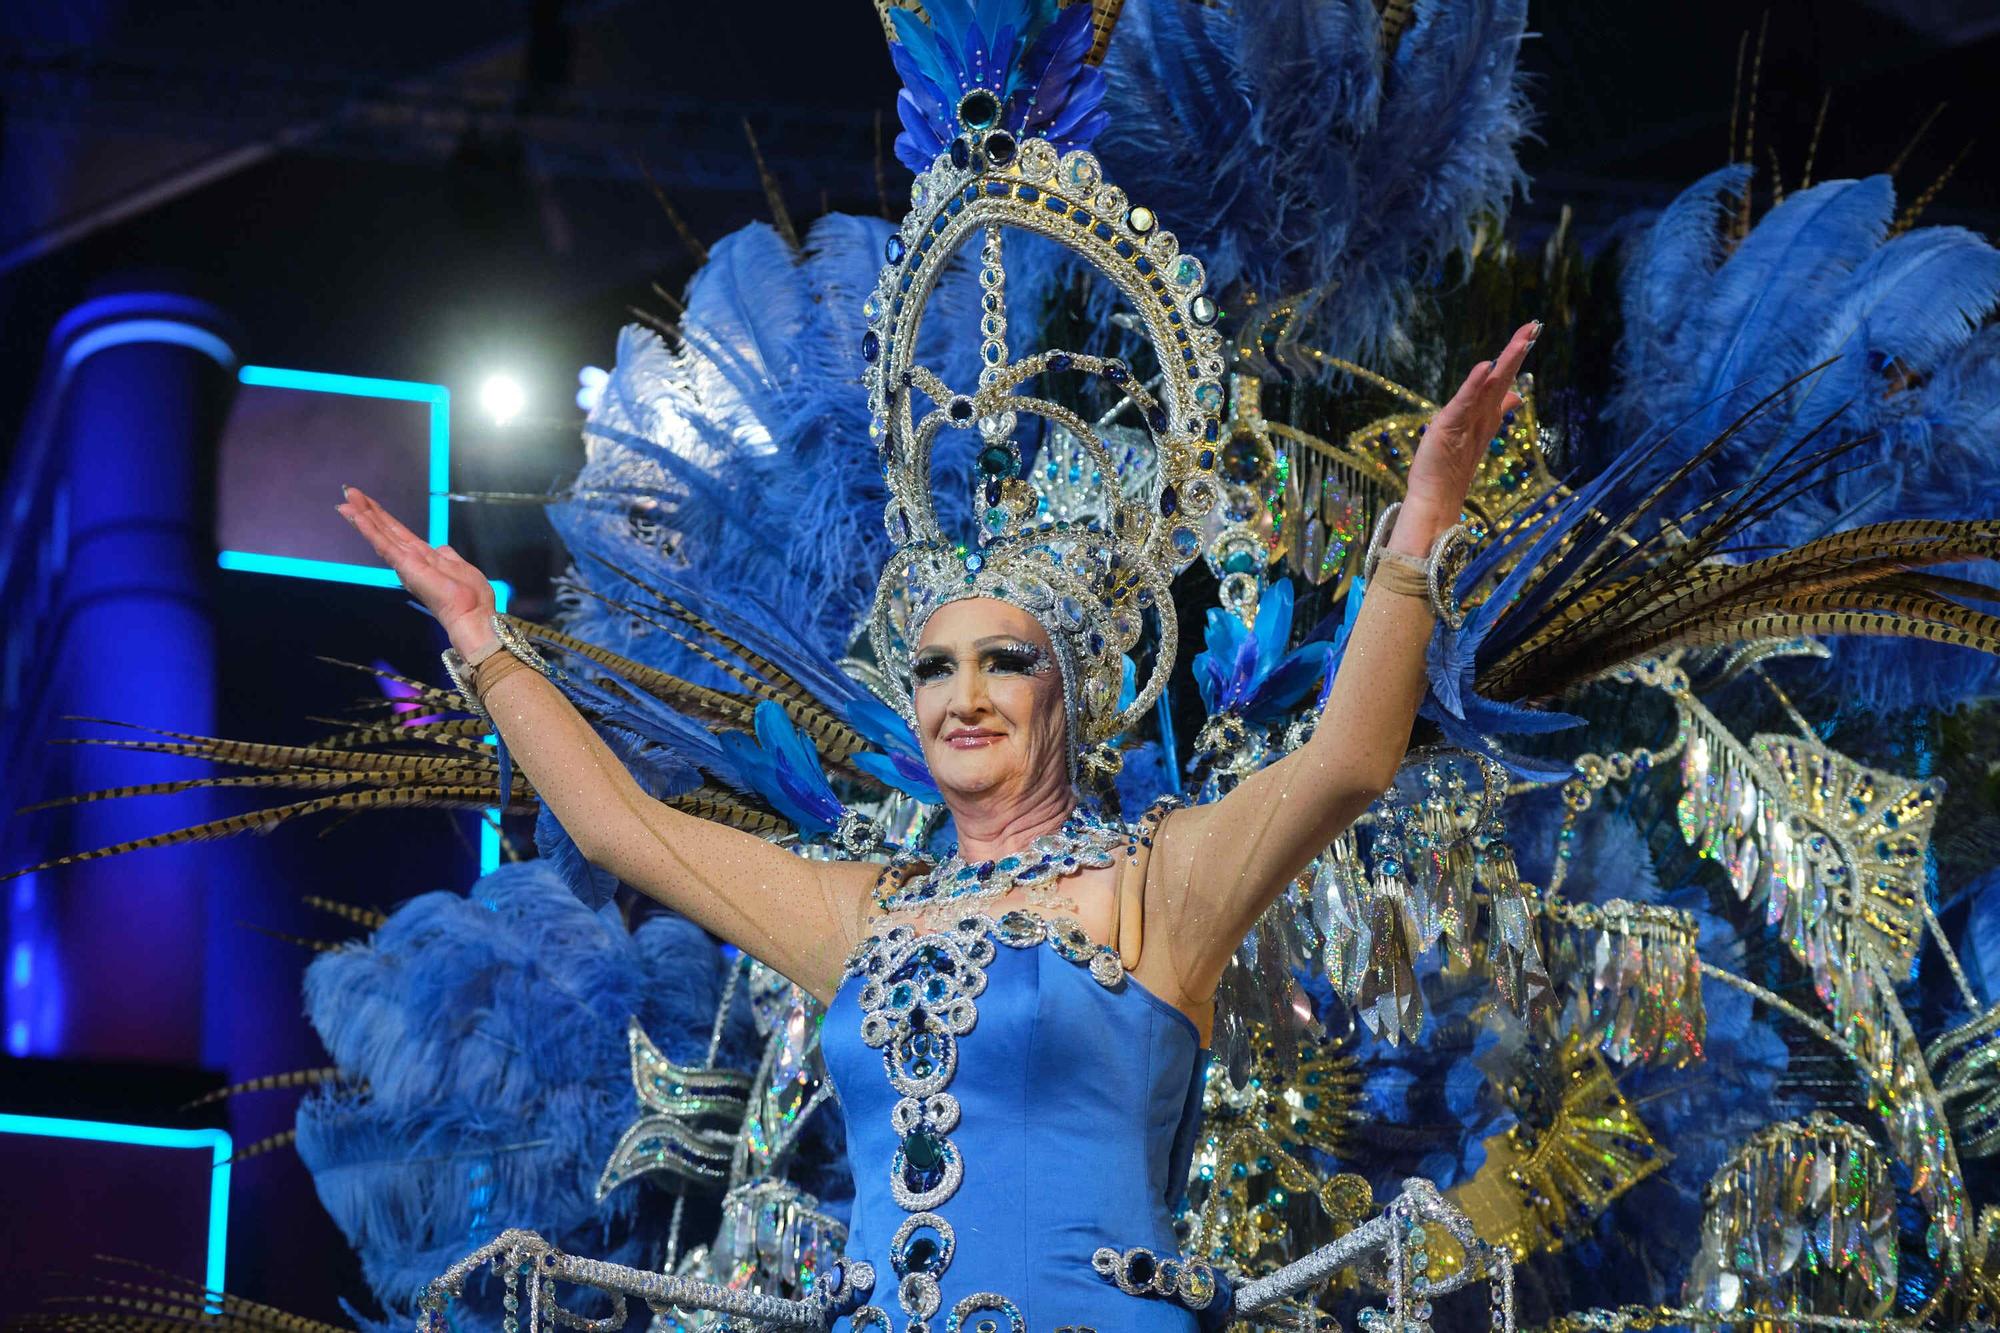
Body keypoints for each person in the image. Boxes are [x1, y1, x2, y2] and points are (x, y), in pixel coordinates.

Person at [334, 290, 1533, 1328]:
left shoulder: (1150, 890)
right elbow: (616, 829)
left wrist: (1416, 527)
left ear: (1070, 691)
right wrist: (485, 639)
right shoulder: (866, 916)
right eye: (931, 668)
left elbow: (1342, 766)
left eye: (1003, 661)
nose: (963, 697)